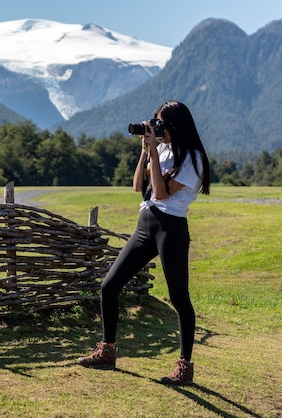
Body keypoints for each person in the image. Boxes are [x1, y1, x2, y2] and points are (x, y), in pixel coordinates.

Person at [76, 100, 210, 385]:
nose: (157, 127)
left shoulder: (193, 158)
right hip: (145, 224)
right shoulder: (160, 149)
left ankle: (184, 366)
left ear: (175, 125)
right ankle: (107, 351)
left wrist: (155, 155)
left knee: (179, 298)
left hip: (170, 228)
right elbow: (138, 186)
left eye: (160, 123)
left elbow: (161, 194)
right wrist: (145, 151)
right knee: (109, 286)